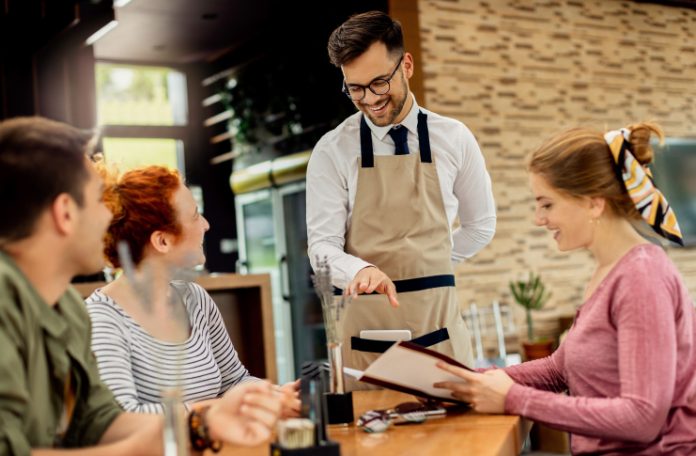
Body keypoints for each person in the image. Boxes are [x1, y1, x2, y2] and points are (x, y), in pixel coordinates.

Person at [0, 116, 281, 454]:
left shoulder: (67, 307)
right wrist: (197, 424)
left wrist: (203, 424)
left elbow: (102, 422)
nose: (109, 218)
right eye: (97, 201)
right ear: (65, 213)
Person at [435, 122, 696, 454]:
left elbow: (642, 418)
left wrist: (514, 398)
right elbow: (561, 368)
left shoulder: (641, 277)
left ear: (593, 203)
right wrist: (470, 381)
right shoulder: (609, 270)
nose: (538, 219)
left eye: (547, 204)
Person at [306, 10, 496, 377]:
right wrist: (361, 270)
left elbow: (480, 225)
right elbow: (322, 249)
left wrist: (428, 264)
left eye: (379, 83)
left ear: (406, 65)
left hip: (439, 332)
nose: (369, 99)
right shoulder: (332, 151)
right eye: (355, 89)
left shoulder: (454, 138)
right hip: (365, 344)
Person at [86, 165, 299, 417]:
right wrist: (215, 411)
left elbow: (234, 381)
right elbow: (123, 419)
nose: (206, 225)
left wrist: (273, 394)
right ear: (162, 241)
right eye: (196, 215)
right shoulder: (102, 318)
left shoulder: (195, 299)